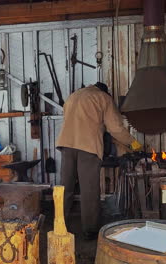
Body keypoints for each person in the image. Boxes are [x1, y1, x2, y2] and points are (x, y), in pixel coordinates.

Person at [56, 82, 141, 240]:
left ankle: (59, 226)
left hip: (66, 145)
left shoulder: (73, 96)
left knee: (65, 189)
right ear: (106, 92)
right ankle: (90, 230)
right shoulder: (103, 98)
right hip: (88, 147)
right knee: (89, 190)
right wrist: (134, 144)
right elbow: (116, 129)